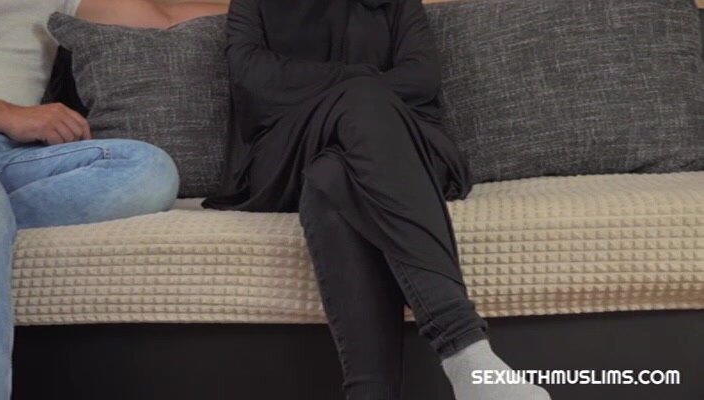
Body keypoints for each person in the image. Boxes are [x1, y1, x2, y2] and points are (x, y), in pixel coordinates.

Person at [202, 0, 552, 399]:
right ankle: (465, 350)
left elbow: (421, 77)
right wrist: (358, 81)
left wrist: (347, 92)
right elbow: (251, 77)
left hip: (402, 146)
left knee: (332, 177)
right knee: (359, 101)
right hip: (290, 148)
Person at [0, 1, 227, 398]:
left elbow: (166, 15)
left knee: (147, 169)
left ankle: (2, 218)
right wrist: (6, 113)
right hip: (9, 127)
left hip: (16, 158)